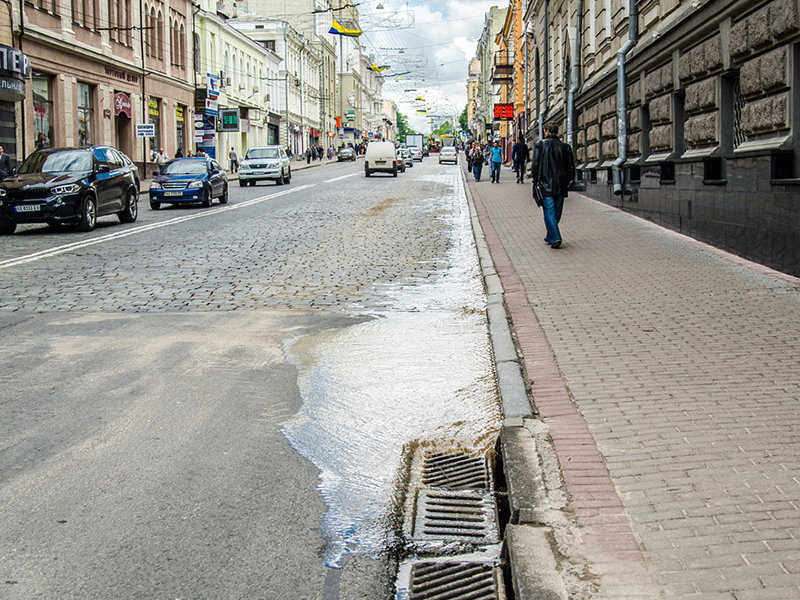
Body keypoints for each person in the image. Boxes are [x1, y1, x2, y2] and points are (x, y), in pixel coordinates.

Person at [531, 121, 575, 249]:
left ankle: (556, 237)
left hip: (545, 184)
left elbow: (535, 165)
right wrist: (568, 182)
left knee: (549, 212)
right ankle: (550, 235)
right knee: (557, 212)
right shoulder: (565, 147)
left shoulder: (540, 145)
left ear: (546, 131)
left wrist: (535, 179)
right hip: (561, 184)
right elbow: (571, 168)